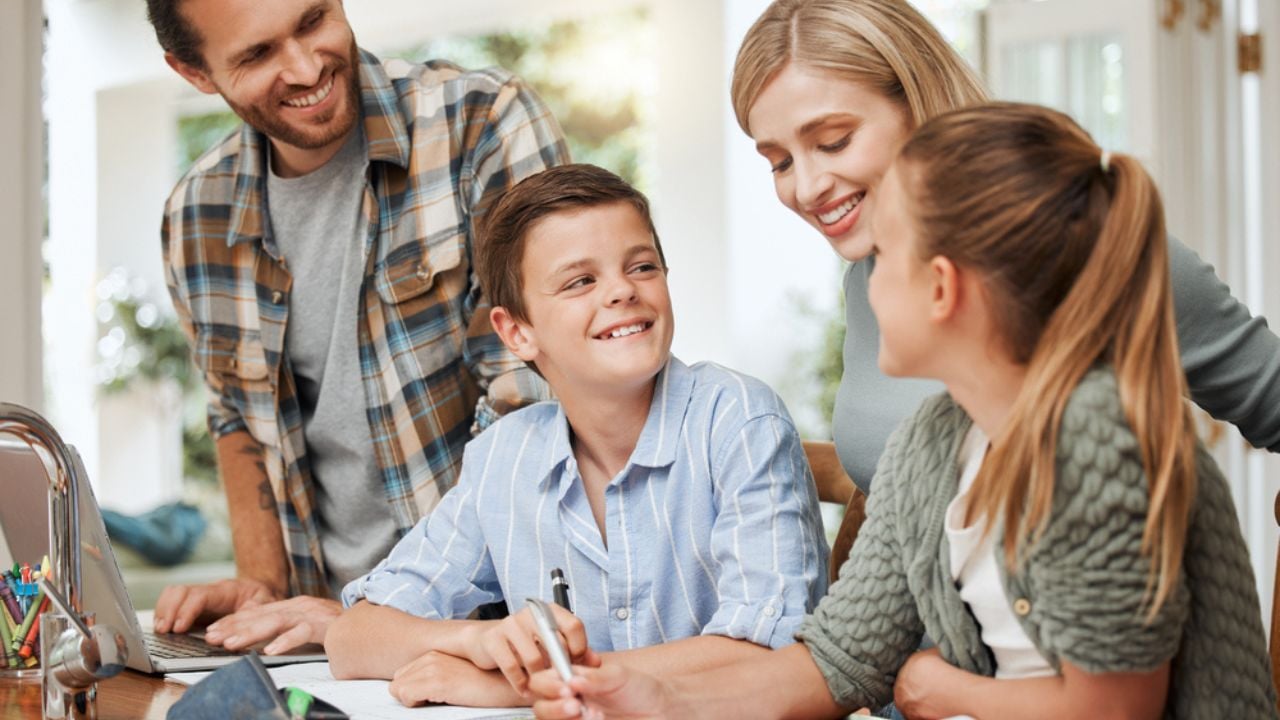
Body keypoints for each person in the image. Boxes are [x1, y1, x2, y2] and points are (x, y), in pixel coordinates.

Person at [529, 103, 1277, 720]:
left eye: (882, 257)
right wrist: (655, 699)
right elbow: (838, 659)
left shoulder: (1090, 435)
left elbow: (1113, 710)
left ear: (942, 288)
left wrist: (946, 688)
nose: (862, 286)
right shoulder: (932, 442)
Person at [146, 0, 569, 653]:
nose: (305, 66)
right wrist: (261, 587)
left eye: (314, 20)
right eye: (257, 55)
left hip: (497, 631)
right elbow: (235, 417)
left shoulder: (482, 125)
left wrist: (376, 619)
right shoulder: (196, 215)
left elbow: (535, 400)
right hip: (323, 644)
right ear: (194, 72)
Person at [325, 164, 829, 708]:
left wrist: (517, 686)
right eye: (580, 281)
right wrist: (476, 640)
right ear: (517, 332)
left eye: (642, 266)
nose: (621, 290)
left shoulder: (738, 419)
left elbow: (768, 650)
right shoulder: (504, 458)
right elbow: (351, 638)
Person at [735, 0, 1280, 493]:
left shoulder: (1085, 243)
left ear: (915, 99)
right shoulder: (869, 277)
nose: (805, 188)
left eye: (833, 142)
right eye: (779, 162)